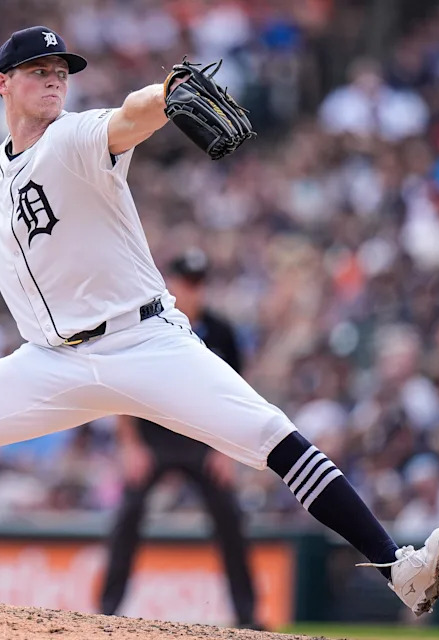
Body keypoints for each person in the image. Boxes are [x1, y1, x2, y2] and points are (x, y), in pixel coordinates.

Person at [0, 25, 439, 618]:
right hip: (49, 362)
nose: (55, 81)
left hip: (144, 341)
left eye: (61, 73)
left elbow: (129, 117)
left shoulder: (78, 138)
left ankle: (398, 566)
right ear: (2, 85)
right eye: (40, 73)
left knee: (269, 434)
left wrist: (167, 91)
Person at [98, 248, 261, 628]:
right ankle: (106, 611)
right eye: (187, 282)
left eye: (199, 284)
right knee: (127, 518)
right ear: (170, 284)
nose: (193, 291)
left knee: (231, 518)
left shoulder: (221, 332)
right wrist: (130, 445)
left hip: (204, 441)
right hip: (153, 438)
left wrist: (227, 451)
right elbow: (122, 389)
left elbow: (237, 394)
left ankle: (248, 616)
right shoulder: (148, 325)